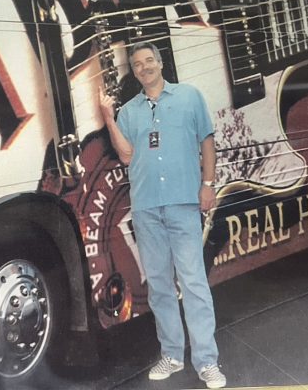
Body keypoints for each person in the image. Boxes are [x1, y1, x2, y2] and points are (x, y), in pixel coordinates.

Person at [98, 41, 226, 389]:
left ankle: (206, 361)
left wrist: (208, 184)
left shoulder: (189, 97)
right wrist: (108, 117)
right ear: (135, 72)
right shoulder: (129, 112)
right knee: (159, 287)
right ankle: (171, 354)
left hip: (183, 202)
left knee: (193, 282)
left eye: (148, 61)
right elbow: (126, 156)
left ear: (160, 62)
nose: (144, 68)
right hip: (146, 208)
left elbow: (208, 142)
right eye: (137, 64)